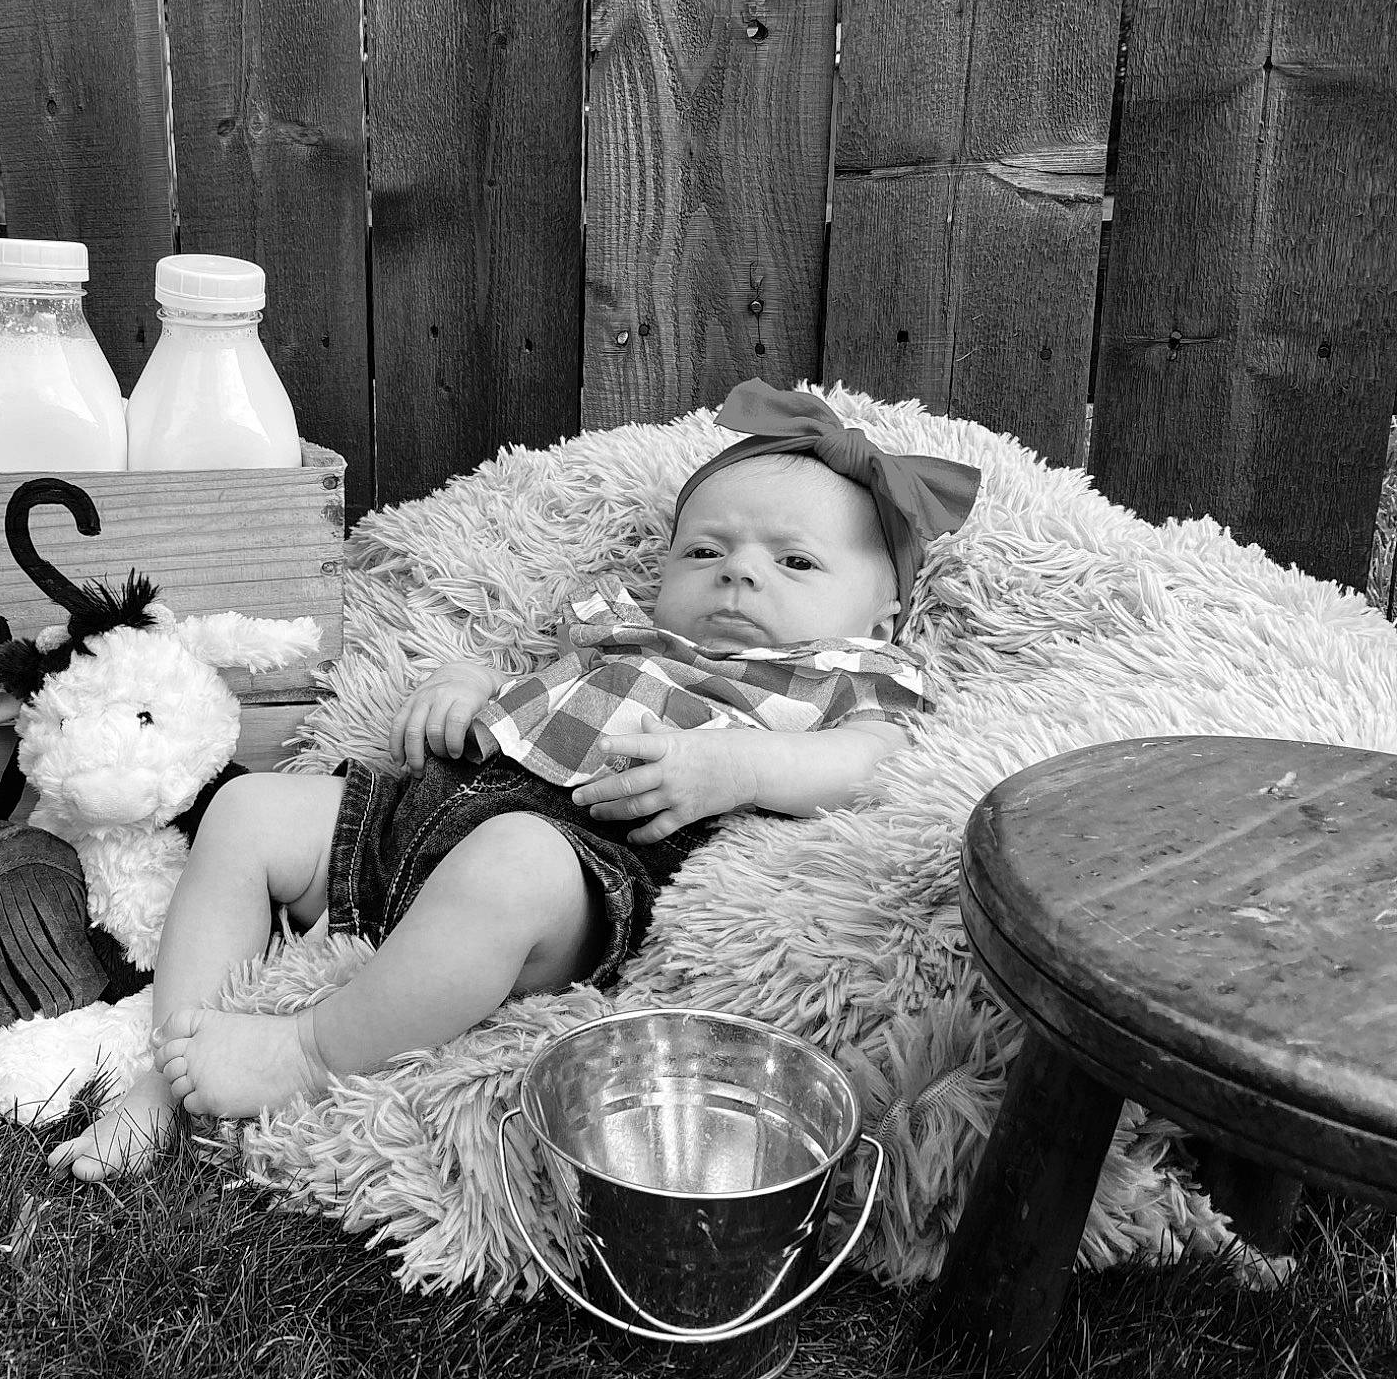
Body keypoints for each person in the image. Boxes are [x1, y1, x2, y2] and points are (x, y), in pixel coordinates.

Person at [49, 380, 981, 1180]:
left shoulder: (854, 677)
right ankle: (168, 1069)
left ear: (884, 608)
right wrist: (459, 689)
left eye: (795, 561)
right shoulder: (618, 630)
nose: (739, 573)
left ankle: (307, 1048)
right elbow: (516, 678)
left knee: (513, 859)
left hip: (577, 871)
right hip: (423, 814)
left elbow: (878, 762)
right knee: (249, 809)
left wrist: (739, 765)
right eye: (706, 550)